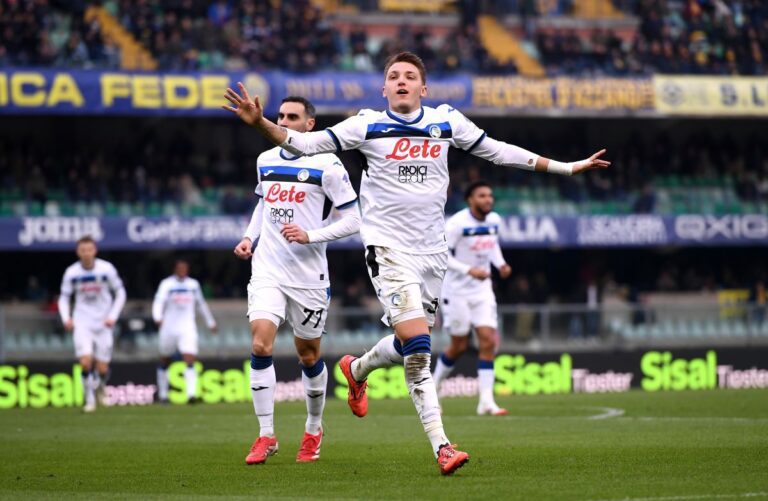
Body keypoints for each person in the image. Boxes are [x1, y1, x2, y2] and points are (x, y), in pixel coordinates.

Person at [223, 51, 609, 475]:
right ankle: (442, 446)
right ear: (384, 88)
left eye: (410, 76)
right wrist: (261, 123)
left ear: (423, 88)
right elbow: (307, 143)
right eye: (394, 76)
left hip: (433, 253)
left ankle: (358, 366)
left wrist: (567, 168)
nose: (401, 80)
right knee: (420, 350)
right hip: (387, 250)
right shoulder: (367, 124)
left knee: (411, 343)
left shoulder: (446, 122)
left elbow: (498, 152)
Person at [232, 96, 361, 465]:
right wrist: (248, 237)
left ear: (310, 125)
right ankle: (266, 435)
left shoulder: (328, 165)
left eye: (293, 117)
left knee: (308, 356)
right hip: (268, 269)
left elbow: (354, 220)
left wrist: (311, 235)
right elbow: (264, 204)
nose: (284, 121)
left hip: (308, 276)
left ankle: (314, 427)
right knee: (260, 345)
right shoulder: (265, 160)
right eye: (280, 116)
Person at [432, 181, 512, 416]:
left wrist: (501, 264)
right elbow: (441, 255)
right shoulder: (456, 224)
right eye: (482, 196)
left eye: (490, 195)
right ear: (470, 199)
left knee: (488, 340)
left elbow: (492, 245)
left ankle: (486, 402)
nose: (488, 199)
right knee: (459, 345)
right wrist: (469, 270)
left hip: (482, 289)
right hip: (456, 291)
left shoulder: (494, 220)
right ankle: (434, 388)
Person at [58, 235, 126, 413]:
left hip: (104, 323)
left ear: (94, 250)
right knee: (86, 362)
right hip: (82, 321)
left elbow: (120, 293)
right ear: (78, 252)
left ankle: (102, 383)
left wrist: (113, 316)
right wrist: (66, 318)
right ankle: (90, 401)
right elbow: (64, 297)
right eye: (83, 250)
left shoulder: (106, 269)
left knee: (102, 368)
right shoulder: (71, 273)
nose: (86, 254)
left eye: (89, 250)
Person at [152, 259, 217, 405]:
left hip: (187, 327)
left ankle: (191, 394)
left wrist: (210, 322)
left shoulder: (193, 285)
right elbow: (158, 302)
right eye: (179, 268)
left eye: (184, 268)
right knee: (165, 359)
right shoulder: (166, 284)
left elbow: (201, 304)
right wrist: (157, 317)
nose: (182, 270)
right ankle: (163, 395)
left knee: (189, 358)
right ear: (175, 269)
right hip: (168, 327)